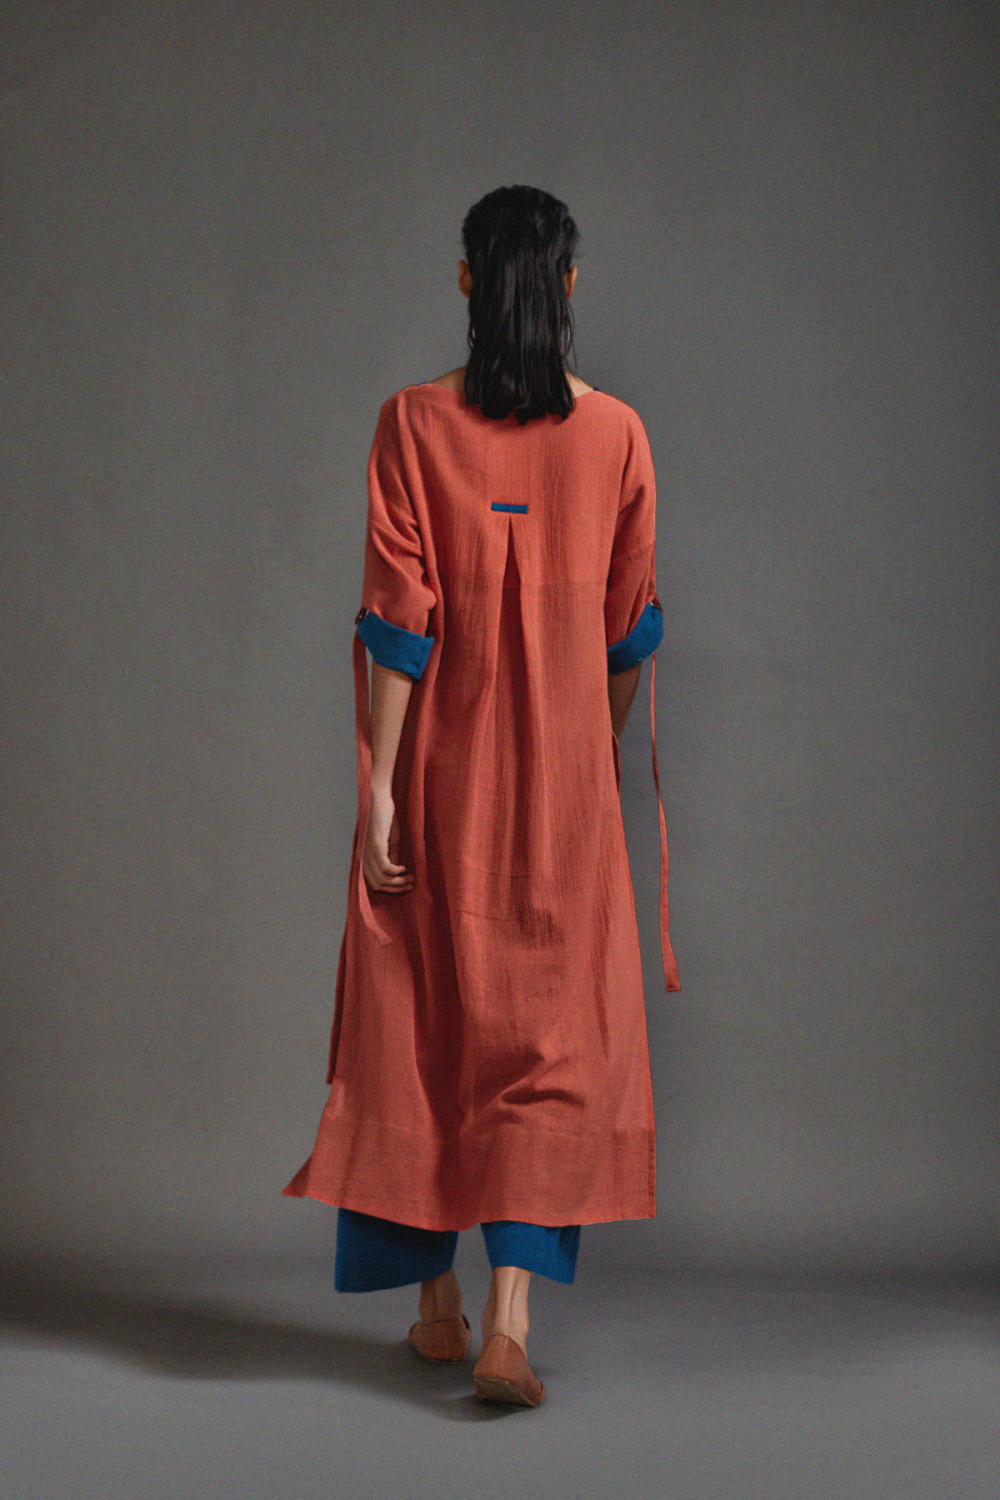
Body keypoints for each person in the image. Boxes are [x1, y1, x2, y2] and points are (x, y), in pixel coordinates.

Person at [282, 183, 681, 1408]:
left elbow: (397, 625)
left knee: (416, 1023)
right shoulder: (618, 435)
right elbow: (628, 634)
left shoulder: (410, 424)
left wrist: (384, 791)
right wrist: (582, 757)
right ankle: (509, 1319)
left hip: (439, 778)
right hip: (564, 794)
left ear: (464, 280)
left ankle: (438, 1310)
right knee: (550, 1040)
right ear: (568, 284)